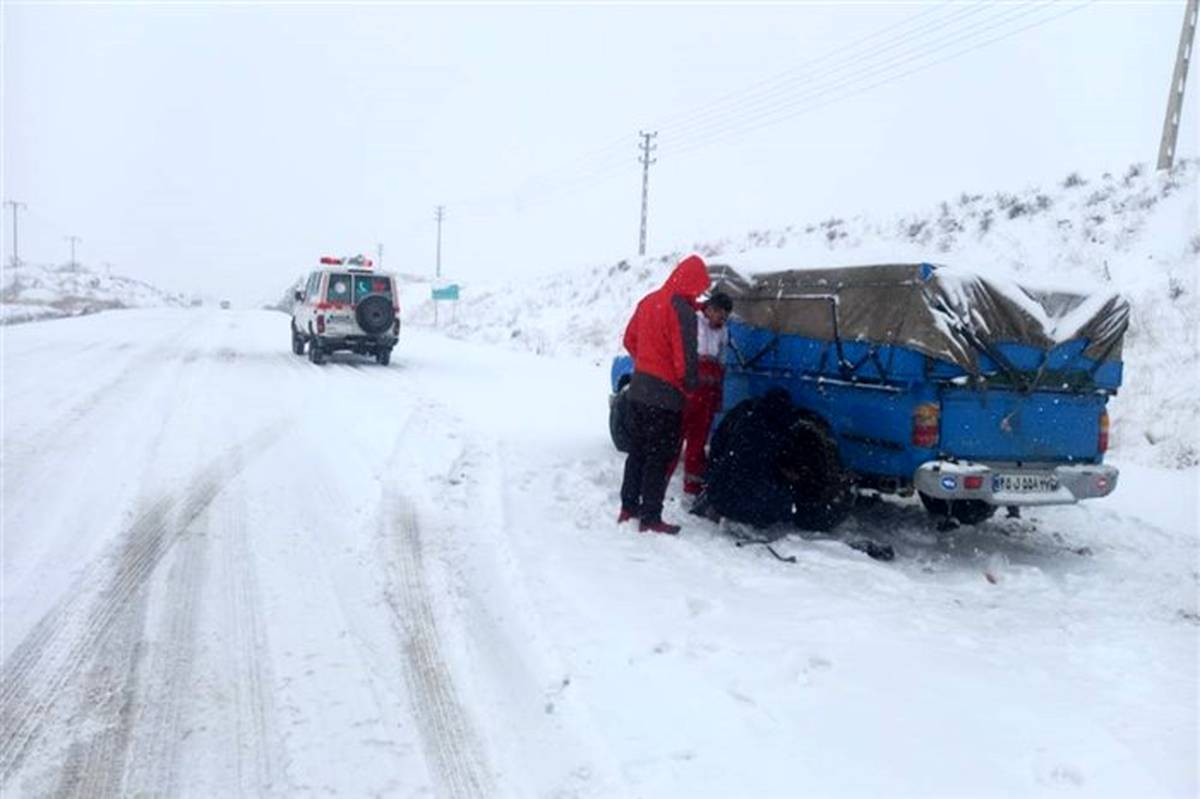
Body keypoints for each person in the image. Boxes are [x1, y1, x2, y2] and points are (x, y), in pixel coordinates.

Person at [618, 253, 711, 534]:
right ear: (693, 282)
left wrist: (647, 362)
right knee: (659, 457)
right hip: (665, 397)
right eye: (700, 286)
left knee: (638, 451)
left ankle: (628, 507)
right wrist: (690, 385)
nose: (699, 292)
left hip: (638, 390)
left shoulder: (648, 301)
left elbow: (629, 339)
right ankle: (651, 517)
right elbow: (685, 357)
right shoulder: (681, 310)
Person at [671, 291, 733, 496]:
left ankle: (693, 486)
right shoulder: (692, 322)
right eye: (720, 314)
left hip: (707, 396)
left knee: (698, 442)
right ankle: (659, 480)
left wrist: (717, 396)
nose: (722, 319)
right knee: (674, 437)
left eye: (726, 316)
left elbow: (721, 363)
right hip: (687, 392)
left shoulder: (723, 331)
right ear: (710, 309)